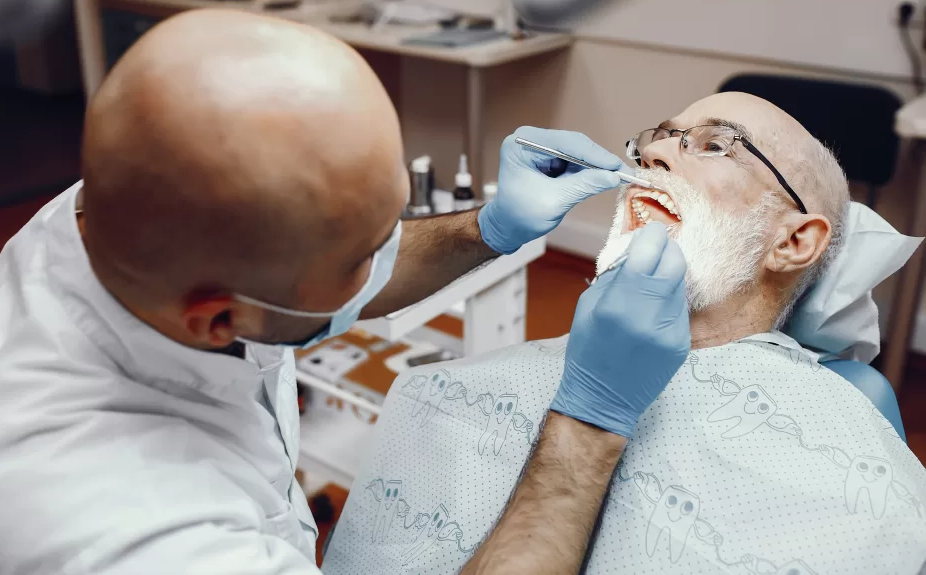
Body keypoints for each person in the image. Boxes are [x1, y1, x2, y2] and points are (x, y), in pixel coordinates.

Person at [0, 9, 690, 574]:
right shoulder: (139, 537)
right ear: (221, 318)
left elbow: (307, 273)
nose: (392, 248)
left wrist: (485, 227)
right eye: (365, 250)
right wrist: (590, 423)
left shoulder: (120, 208)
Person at [323, 92, 926, 574]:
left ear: (793, 241)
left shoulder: (856, 488)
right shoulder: (438, 395)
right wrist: (489, 226)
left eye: (714, 145)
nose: (653, 156)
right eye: (656, 138)